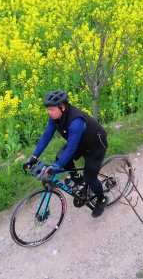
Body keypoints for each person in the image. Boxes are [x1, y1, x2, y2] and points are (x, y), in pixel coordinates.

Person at [23, 90, 109, 218]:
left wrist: (56, 167)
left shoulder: (76, 122)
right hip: (80, 142)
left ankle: (101, 199)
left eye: (51, 109)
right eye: (48, 109)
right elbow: (46, 136)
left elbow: (71, 149)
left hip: (95, 145)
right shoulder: (55, 117)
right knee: (60, 157)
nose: (49, 112)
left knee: (90, 177)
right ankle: (78, 180)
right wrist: (34, 157)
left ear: (62, 107)